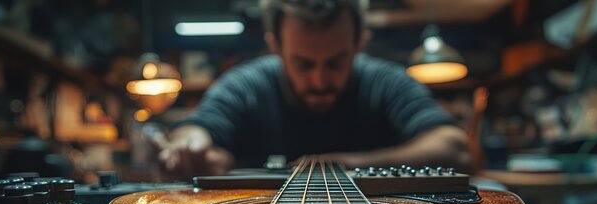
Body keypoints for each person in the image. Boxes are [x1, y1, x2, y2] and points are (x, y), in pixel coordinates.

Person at [155, 0, 472, 178]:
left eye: (336, 62)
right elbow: (196, 130)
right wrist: (188, 146)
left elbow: (455, 148)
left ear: (359, 44)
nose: (320, 81)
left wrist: (345, 164)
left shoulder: (384, 81)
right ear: (275, 47)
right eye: (304, 65)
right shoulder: (245, 84)